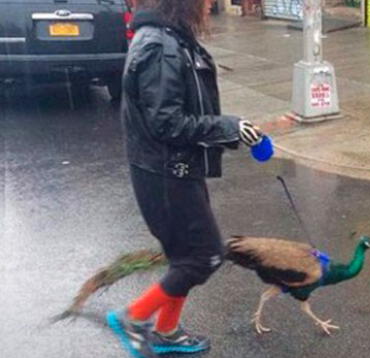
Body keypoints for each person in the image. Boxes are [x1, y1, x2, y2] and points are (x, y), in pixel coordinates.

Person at [106, 0, 264, 357]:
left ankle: (166, 331)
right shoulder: (161, 47)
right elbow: (167, 123)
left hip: (173, 170)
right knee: (204, 256)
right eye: (206, 1)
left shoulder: (168, 39)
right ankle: (134, 317)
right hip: (166, 175)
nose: (209, 5)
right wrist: (229, 126)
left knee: (184, 258)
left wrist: (231, 131)